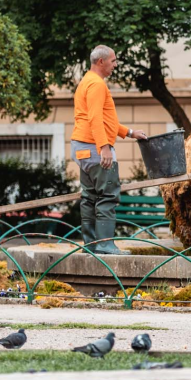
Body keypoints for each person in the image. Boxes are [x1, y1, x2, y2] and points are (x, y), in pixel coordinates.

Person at [71, 45, 147, 255]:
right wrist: (104, 147)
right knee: (107, 196)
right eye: (113, 61)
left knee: (89, 197)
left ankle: (91, 245)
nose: (116, 65)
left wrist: (130, 132)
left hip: (81, 147)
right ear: (101, 62)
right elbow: (95, 118)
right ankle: (105, 244)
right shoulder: (97, 85)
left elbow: (104, 119)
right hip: (95, 148)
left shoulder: (86, 81)